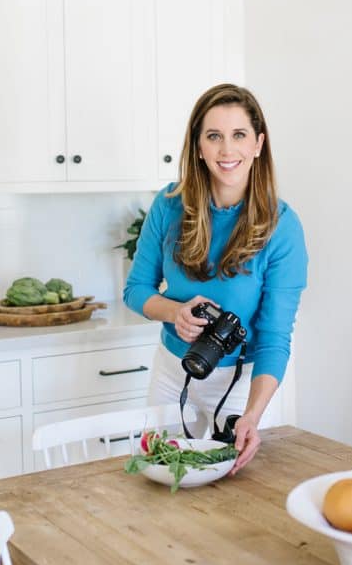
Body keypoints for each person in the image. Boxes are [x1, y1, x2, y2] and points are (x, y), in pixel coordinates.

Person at [124, 84, 307, 473]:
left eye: (239, 135)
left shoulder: (282, 227)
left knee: (241, 494)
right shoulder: (170, 205)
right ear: (199, 146)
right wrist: (176, 313)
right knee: (160, 478)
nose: (227, 150)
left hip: (243, 382)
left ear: (258, 144)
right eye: (214, 136)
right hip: (174, 370)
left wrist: (252, 416)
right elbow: (135, 291)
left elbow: (275, 336)